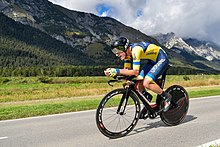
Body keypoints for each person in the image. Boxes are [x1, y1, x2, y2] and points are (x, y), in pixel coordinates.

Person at [104, 36, 172, 114]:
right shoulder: (127, 55)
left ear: (125, 48)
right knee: (137, 82)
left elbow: (135, 72)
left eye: (117, 50)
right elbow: (127, 72)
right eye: (114, 51)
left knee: (146, 82)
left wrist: (116, 71)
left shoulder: (135, 50)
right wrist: (117, 75)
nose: (116, 54)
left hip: (161, 58)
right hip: (151, 61)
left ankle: (166, 96)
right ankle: (148, 104)